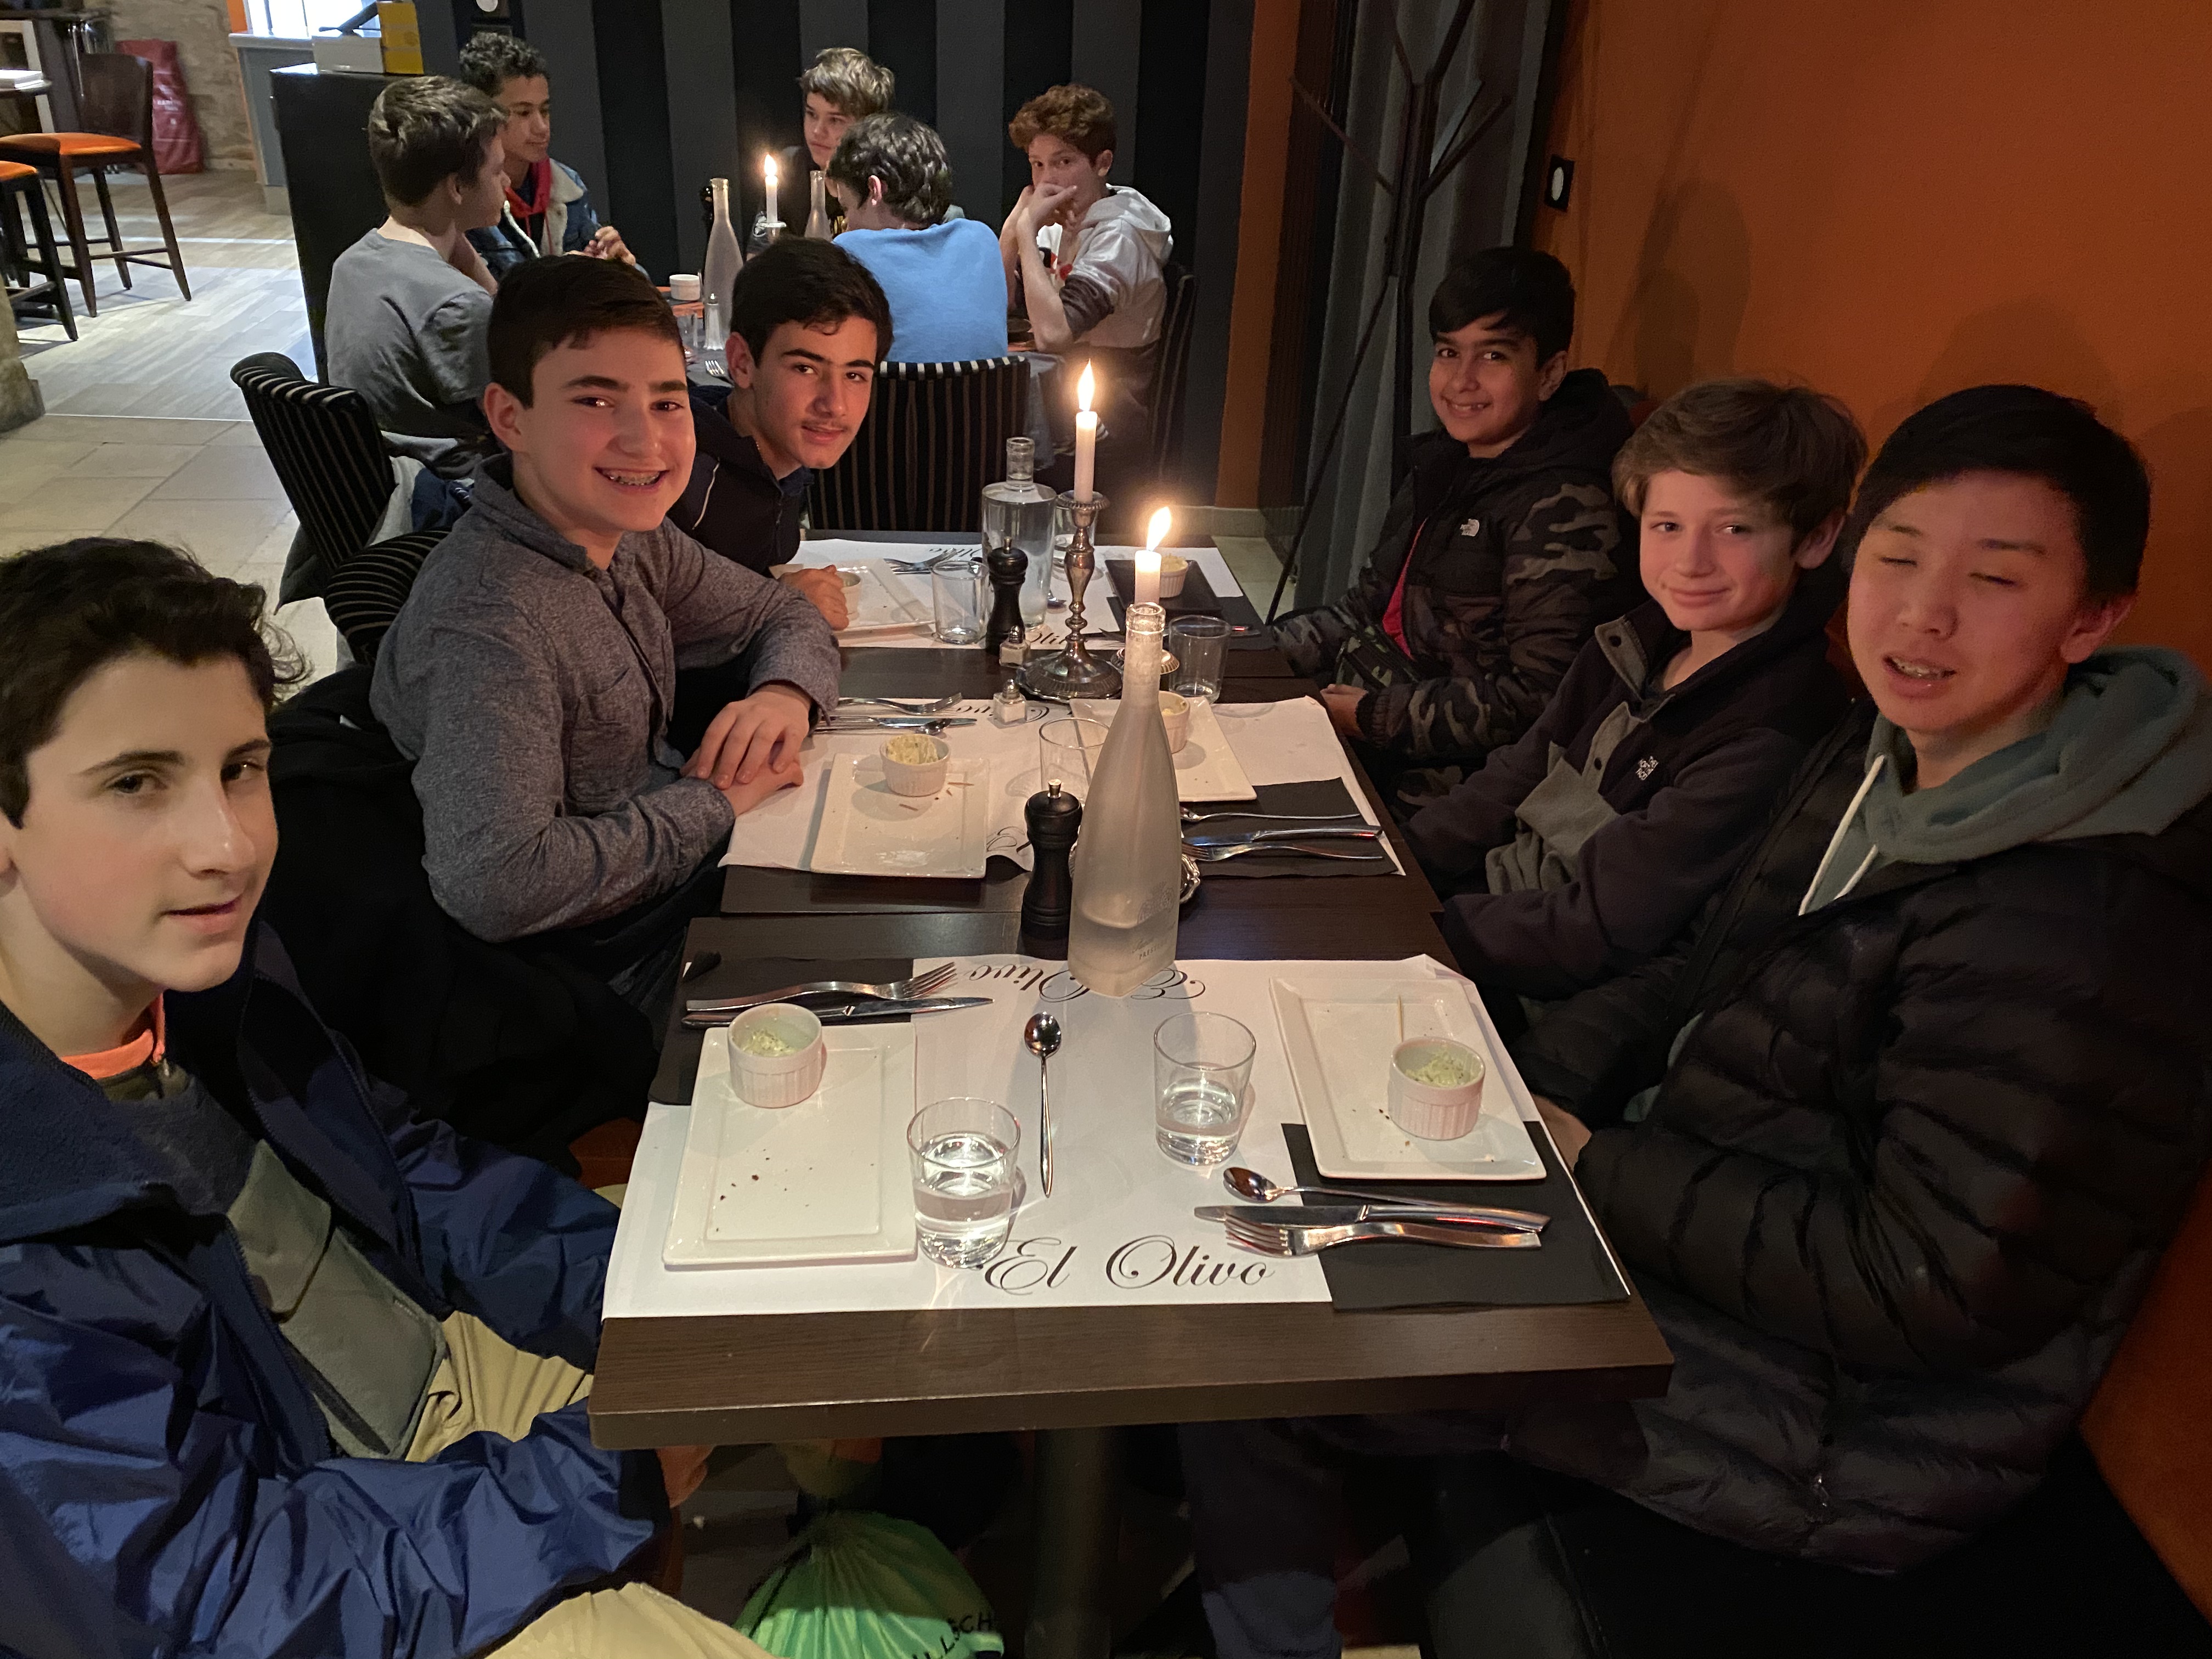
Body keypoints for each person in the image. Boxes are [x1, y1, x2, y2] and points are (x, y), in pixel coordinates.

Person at [1179, 385, 2212, 1657]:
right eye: (1901, 558)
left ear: (2093, 616)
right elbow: (1683, 973)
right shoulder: (1885, 754)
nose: (1924, 616)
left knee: (1261, 1343)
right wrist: (1519, 1092)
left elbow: (1926, 1286)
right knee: (1253, 1168)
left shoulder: (2082, 925)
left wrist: (1591, 1163)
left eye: (1995, 580)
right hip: (1693, 1233)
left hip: (1839, 1424)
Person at [0, 537, 772, 1658]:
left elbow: (405, 1167)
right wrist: (596, 1474)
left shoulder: (196, 978)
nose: (226, 846)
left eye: (240, 768)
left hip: (418, 1393)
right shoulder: (25, 1223)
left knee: (788, 1313)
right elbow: (219, 1598)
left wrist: (641, 1289)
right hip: (308, 1556)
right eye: (135, 783)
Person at [371, 256, 840, 1019]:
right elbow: (497, 884)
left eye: (667, 402)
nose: (645, 441)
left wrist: (785, 694)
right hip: (590, 976)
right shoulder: (490, 620)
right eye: (595, 400)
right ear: (510, 417)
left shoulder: (627, 537)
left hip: (664, 890)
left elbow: (780, 614)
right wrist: (714, 803)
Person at [1403, 378, 1864, 1017]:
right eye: (1667, 525)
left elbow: (1592, 930)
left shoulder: (1770, 729)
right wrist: (1395, 866)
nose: (1691, 561)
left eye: (1734, 528)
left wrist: (1417, 930)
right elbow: (1517, 771)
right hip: (1481, 910)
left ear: (1815, 538)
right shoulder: (1638, 639)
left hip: (1533, 991)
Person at [1273, 249, 1639, 806]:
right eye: (1448, 353)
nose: (1461, 381)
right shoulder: (1447, 461)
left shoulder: (1564, 507)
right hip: (1362, 722)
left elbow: (1540, 700)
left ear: (1548, 374)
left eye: (1493, 356)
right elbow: (1363, 609)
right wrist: (1251, 651)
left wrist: (1372, 717)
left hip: (1438, 782)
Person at [669, 236, 895, 631]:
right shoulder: (685, 481)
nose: (835, 405)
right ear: (742, 363)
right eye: (805, 368)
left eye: (855, 375)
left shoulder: (782, 463)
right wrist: (777, 603)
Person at [326, 75, 505, 482]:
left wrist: (460, 248)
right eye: (497, 171)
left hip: (387, 485)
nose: (507, 182)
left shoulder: (351, 265)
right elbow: (520, 422)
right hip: (459, 495)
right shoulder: (457, 305)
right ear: (457, 186)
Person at [1001, 82, 1172, 438]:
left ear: (1102, 163)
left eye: (1063, 162)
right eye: (1037, 164)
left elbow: (1054, 336)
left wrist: (1026, 232)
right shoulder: (1056, 224)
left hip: (1104, 416)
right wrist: (1011, 232)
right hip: (1058, 399)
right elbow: (1002, 305)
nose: (1047, 180)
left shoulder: (1121, 237)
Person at [829, 112, 1007, 363]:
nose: (847, 226)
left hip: (888, 390)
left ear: (874, 190)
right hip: (983, 390)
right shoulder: (983, 240)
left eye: (846, 208)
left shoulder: (847, 254)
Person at [457, 31, 636, 280]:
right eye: (523, 113)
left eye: (545, 110)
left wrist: (623, 269)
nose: (542, 127)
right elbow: (484, 300)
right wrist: (559, 279)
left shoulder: (567, 184)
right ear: (482, 115)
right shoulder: (467, 201)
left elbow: (610, 280)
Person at [759, 45, 895, 242]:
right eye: (812, 114)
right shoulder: (789, 168)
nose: (817, 131)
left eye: (835, 120)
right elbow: (757, 256)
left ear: (868, 124)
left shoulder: (888, 182)